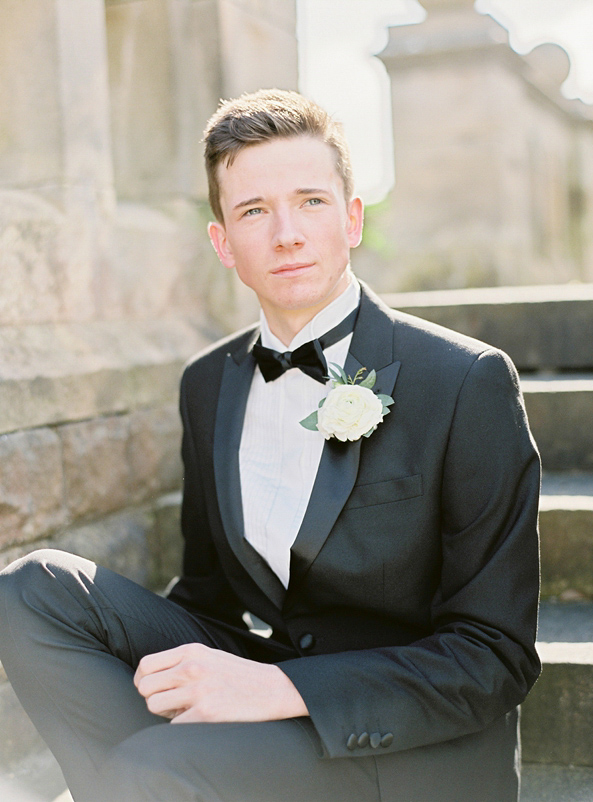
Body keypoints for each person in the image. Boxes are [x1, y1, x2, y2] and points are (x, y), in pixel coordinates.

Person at [0, 89, 541, 802]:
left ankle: (140, 782)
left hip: (413, 741)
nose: (286, 233)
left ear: (352, 218)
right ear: (224, 242)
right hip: (270, 687)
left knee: (150, 769)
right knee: (31, 591)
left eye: (311, 202)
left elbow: (493, 656)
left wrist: (275, 686)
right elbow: (206, 599)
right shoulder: (207, 384)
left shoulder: (466, 380)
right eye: (254, 210)